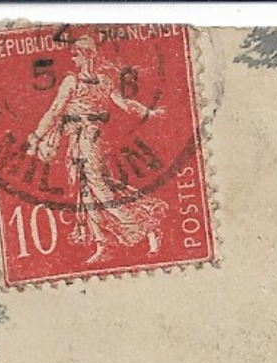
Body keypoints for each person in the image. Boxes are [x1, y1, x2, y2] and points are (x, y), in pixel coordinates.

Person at [25, 34, 169, 264]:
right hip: (78, 142)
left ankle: (144, 226)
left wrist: (35, 137)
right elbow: (122, 104)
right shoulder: (96, 81)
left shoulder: (84, 82)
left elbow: (55, 111)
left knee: (99, 190)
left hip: (89, 142)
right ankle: (103, 243)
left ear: (87, 55)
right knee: (85, 191)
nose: (73, 60)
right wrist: (147, 112)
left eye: (76, 55)